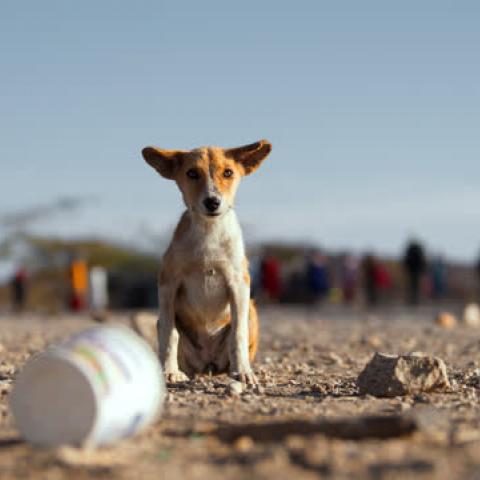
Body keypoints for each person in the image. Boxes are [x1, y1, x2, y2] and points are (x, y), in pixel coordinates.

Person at [403, 239, 426, 305]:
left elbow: (406, 260)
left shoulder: (410, 250)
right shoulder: (418, 251)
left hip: (410, 270)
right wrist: (422, 270)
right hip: (417, 271)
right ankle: (416, 300)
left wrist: (405, 269)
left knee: (410, 286)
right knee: (416, 286)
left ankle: (411, 299)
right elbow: (422, 261)